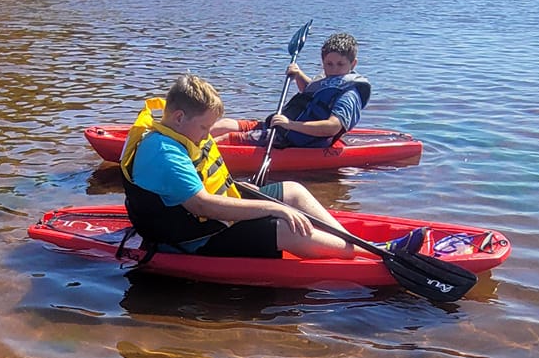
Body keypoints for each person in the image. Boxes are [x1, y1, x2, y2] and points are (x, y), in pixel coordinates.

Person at [119, 74, 359, 258]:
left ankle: (352, 243)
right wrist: (273, 208)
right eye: (204, 127)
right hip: (195, 239)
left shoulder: (178, 134)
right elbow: (203, 205)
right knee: (287, 229)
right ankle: (357, 255)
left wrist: (246, 193)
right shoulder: (164, 152)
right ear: (179, 117)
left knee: (293, 191)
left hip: (211, 218)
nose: (207, 136)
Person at [257, 30, 371, 150]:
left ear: (353, 64)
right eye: (329, 64)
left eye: (340, 64)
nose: (334, 69)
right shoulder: (329, 82)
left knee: (243, 138)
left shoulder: (348, 95)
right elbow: (311, 95)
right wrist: (298, 75)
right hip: (285, 132)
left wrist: (290, 124)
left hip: (299, 142)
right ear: (323, 62)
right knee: (244, 126)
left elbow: (333, 127)